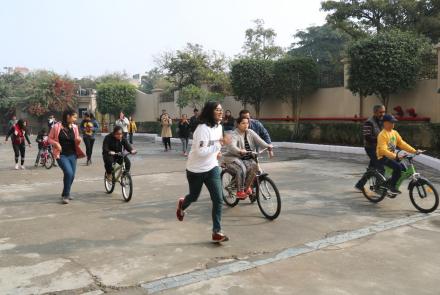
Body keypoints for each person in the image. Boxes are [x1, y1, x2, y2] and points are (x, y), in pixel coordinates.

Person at [176, 101, 232, 243]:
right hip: (195, 169)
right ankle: (182, 204)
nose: (220, 112)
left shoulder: (219, 127)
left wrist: (218, 152)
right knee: (194, 197)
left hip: (212, 168)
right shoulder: (202, 129)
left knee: (218, 199)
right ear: (210, 112)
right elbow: (201, 152)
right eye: (217, 110)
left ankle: (216, 232)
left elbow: (215, 145)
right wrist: (220, 145)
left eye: (221, 109)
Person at [223, 116, 273, 199]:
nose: (246, 125)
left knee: (254, 167)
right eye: (243, 123)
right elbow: (232, 146)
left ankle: (246, 187)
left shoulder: (250, 132)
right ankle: (240, 191)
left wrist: (268, 146)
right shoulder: (234, 134)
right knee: (241, 168)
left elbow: (259, 140)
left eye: (247, 123)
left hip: (244, 158)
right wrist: (239, 150)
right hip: (232, 157)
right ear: (238, 124)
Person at [377, 114, 421, 194]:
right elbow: (383, 150)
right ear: (385, 123)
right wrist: (395, 156)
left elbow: (402, 144)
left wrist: (414, 151)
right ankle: (391, 187)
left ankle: (390, 182)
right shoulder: (382, 135)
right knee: (397, 167)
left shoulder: (394, 132)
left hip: (392, 156)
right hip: (383, 157)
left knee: (403, 169)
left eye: (393, 122)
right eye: (391, 122)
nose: (393, 124)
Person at [48, 109, 85, 204]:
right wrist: (56, 143)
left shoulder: (75, 127)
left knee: (71, 175)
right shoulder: (56, 127)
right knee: (68, 173)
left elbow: (76, 140)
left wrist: (79, 140)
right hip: (61, 155)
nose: (76, 119)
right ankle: (66, 195)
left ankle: (65, 192)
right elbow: (49, 139)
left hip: (73, 155)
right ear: (68, 116)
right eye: (74, 117)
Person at [355, 105, 386, 191]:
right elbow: (367, 137)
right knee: (381, 167)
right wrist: (380, 140)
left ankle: (360, 185)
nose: (382, 114)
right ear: (375, 112)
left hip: (379, 148)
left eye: (384, 112)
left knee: (372, 168)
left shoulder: (382, 121)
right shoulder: (369, 122)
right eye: (380, 112)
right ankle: (378, 188)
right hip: (371, 148)